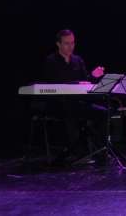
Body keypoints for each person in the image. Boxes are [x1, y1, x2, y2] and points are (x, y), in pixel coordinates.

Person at [42, 29, 105, 164]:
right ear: (58, 44)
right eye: (66, 43)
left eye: (72, 43)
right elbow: (54, 83)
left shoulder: (78, 60)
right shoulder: (51, 61)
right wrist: (76, 83)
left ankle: (99, 150)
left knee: (103, 113)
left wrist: (93, 76)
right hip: (59, 103)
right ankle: (76, 152)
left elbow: (85, 82)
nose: (70, 46)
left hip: (78, 102)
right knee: (71, 113)